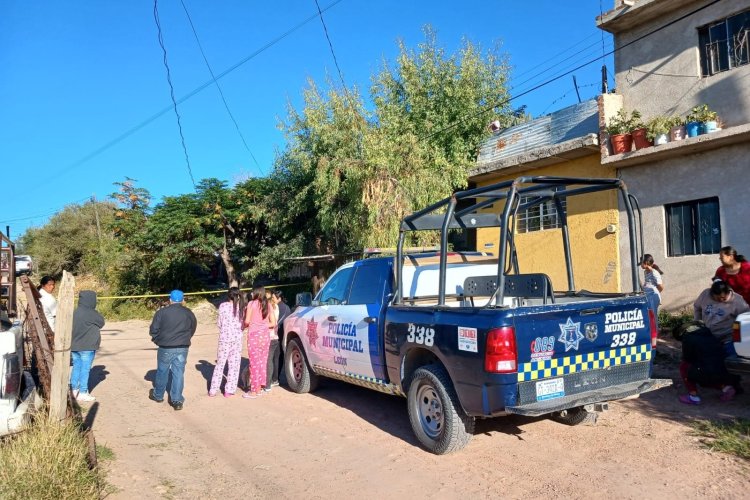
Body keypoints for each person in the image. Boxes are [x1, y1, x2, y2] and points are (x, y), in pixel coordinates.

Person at [148, 290, 197, 411]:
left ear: (170, 300)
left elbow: (153, 329)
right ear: (182, 300)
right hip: (182, 346)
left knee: (162, 371)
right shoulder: (188, 312)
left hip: (165, 346)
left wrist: (157, 340)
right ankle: (177, 400)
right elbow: (193, 327)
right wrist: (186, 338)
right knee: (179, 372)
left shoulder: (161, 312)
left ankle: (158, 395)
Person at [676, 321, 740, 405]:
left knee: (684, 367)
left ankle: (693, 396)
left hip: (706, 371)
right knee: (710, 371)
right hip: (723, 370)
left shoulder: (688, 338)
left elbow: (687, 358)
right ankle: (726, 388)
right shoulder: (709, 335)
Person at [693, 279, 750, 358]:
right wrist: (698, 322)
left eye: (723, 298)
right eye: (718, 298)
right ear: (712, 293)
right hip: (708, 336)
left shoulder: (737, 301)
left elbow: (746, 318)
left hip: (728, 339)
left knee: (730, 362)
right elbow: (697, 307)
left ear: (728, 292)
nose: (721, 300)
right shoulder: (705, 294)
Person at [208, 287, 245, 398]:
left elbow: (219, 323)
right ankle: (229, 390)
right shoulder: (242, 308)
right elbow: (243, 324)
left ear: (228, 296)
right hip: (237, 339)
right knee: (234, 365)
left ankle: (213, 389)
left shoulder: (223, 306)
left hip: (224, 338)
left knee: (220, 364)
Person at [70, 290, 105, 403]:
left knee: (76, 367)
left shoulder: (75, 312)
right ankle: (83, 392)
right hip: (87, 346)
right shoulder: (92, 313)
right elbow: (102, 323)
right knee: (85, 370)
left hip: (75, 346)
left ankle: (74, 390)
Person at [243, 286, 270, 399]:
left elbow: (247, 321)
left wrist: (246, 322)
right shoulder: (267, 305)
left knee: (254, 363)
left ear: (255, 293)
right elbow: (273, 322)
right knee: (262, 362)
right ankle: (259, 388)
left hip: (254, 335)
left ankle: (254, 390)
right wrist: (262, 325)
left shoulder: (251, 304)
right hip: (265, 335)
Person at [272, 290, 291, 385]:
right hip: (284, 335)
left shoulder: (276, 307)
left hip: (276, 335)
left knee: (275, 357)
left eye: (273, 298)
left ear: (279, 298)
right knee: (279, 356)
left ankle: (275, 378)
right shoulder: (287, 307)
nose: (272, 300)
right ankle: (276, 377)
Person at [263, 290, 281, 393]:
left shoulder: (268, 308)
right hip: (275, 336)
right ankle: (275, 379)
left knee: (268, 360)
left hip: (268, 336)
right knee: (274, 359)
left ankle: (267, 384)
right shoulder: (276, 307)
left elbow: (270, 323)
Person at [640, 254, 664, 321]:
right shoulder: (646, 272)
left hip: (653, 297)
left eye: (641, 262)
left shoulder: (654, 272)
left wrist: (654, 293)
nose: (640, 264)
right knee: (648, 316)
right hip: (648, 297)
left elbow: (661, 287)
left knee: (653, 317)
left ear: (646, 262)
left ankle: (655, 331)